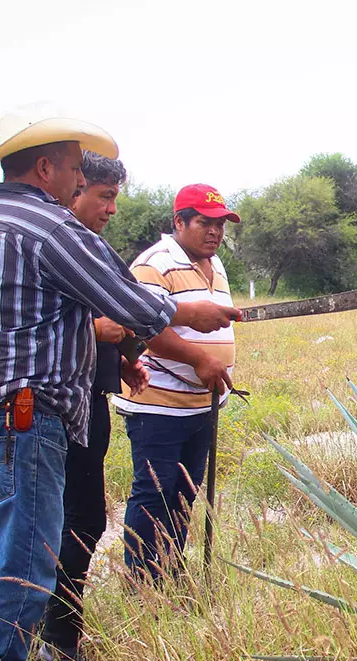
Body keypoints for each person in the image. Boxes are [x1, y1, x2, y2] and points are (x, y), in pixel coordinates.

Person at [0, 113, 239, 661]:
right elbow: (125, 299)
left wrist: (116, 352)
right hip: (22, 414)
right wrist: (185, 312)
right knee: (27, 560)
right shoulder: (45, 226)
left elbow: (30, 320)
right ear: (46, 168)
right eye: (76, 173)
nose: (78, 187)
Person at [36, 152, 142, 661]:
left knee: (73, 518)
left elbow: (120, 315)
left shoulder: (89, 248)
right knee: (69, 519)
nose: (111, 209)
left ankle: (51, 633)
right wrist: (98, 328)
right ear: (73, 188)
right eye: (103, 195)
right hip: (50, 407)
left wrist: (120, 359)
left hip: (88, 401)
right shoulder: (52, 242)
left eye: (114, 197)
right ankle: (55, 640)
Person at [110, 185, 239, 582]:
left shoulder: (215, 265)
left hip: (202, 403)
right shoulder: (155, 263)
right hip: (158, 404)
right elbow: (143, 324)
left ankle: (170, 572)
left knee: (184, 493)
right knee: (154, 491)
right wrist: (199, 358)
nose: (214, 232)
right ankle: (142, 583)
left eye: (219, 224)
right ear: (179, 222)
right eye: (204, 222)